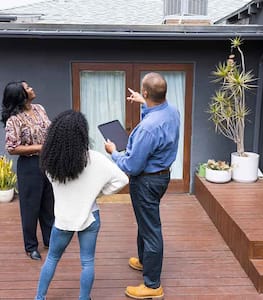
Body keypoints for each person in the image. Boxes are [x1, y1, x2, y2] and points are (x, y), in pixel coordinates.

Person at [35, 110, 129, 300]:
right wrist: (98, 193)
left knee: (52, 258)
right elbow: (122, 180)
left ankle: (39, 297)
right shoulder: (95, 159)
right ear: (82, 133)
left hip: (63, 220)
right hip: (90, 217)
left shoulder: (51, 163)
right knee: (88, 262)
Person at [105, 72, 180, 300]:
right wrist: (143, 102)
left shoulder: (147, 128)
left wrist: (113, 153)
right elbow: (157, 112)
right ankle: (144, 260)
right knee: (145, 221)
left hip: (146, 181)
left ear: (147, 92)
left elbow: (132, 166)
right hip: (162, 177)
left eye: (143, 93)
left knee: (151, 229)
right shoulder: (172, 111)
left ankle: (152, 285)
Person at [1, 81, 54, 260]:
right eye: (27, 87)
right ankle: (31, 246)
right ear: (21, 95)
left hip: (47, 162)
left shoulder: (40, 108)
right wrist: (40, 147)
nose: (32, 88)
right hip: (29, 166)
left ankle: (50, 240)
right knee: (30, 208)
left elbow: (50, 130)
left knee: (49, 203)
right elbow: (12, 148)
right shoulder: (14, 119)